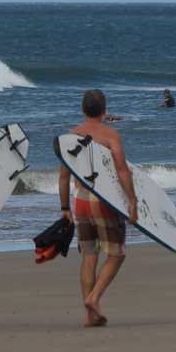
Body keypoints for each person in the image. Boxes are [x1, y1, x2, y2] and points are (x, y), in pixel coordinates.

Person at [60, 89, 138, 327]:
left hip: (80, 200)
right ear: (104, 111)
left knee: (89, 256)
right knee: (116, 254)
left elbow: (64, 178)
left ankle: (89, 316)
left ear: (82, 111)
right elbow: (122, 169)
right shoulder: (110, 135)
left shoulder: (70, 136)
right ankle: (93, 299)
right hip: (104, 201)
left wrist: (65, 209)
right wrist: (132, 200)